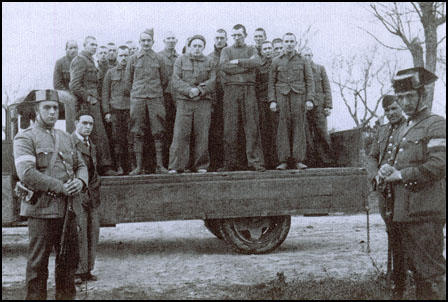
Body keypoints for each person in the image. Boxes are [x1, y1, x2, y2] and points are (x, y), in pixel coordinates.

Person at [13, 89, 88, 300]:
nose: (52, 112)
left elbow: (81, 165)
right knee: (38, 266)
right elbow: (26, 174)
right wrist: (61, 187)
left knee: (68, 264)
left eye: (55, 108)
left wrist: (80, 182)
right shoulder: (25, 137)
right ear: (36, 111)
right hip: (42, 210)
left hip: (68, 210)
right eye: (47, 108)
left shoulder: (66, 137)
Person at [378, 67, 446, 300]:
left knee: (431, 274)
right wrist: (388, 169)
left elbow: (438, 165)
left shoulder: (436, 124)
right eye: (401, 97)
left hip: (425, 214)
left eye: (410, 96)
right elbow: (399, 162)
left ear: (422, 96)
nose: (405, 102)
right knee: (417, 274)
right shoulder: (403, 129)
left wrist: (402, 175)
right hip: (403, 213)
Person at [366, 95, 406, 298]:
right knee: (391, 232)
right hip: (384, 192)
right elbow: (372, 156)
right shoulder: (381, 130)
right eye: (387, 110)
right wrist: (375, 175)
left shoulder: (409, 128)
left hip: (403, 190)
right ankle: (395, 279)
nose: (391, 113)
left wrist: (393, 172)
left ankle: (403, 281)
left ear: (402, 107)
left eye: (394, 108)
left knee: (403, 235)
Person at [219, 23, 265, 172]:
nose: (236, 38)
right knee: (230, 127)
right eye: (234, 35)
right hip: (231, 90)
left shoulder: (252, 49)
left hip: (248, 89)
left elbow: (257, 62)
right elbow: (224, 66)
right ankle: (230, 162)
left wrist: (238, 62)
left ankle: (255, 161)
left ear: (245, 35)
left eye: (239, 35)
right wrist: (247, 66)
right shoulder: (226, 50)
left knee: (251, 126)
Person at [69, 36, 117, 176]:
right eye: (91, 45)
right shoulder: (80, 60)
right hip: (87, 105)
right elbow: (74, 85)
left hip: (95, 101)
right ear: (84, 45)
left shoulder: (91, 61)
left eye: (96, 45)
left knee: (99, 134)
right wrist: (89, 98)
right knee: (97, 134)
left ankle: (102, 166)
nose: (94, 47)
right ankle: (104, 167)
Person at [168, 35, 216, 173]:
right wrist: (189, 90)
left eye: (199, 46)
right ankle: (177, 165)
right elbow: (175, 80)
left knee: (202, 134)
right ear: (189, 46)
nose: (196, 48)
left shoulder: (209, 61)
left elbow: (212, 81)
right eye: (194, 45)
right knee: (180, 134)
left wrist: (200, 90)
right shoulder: (180, 60)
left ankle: (201, 165)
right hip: (184, 101)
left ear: (203, 47)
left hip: (203, 101)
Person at [125, 28, 169, 175]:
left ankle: (160, 165)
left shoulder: (159, 59)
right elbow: (128, 81)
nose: (146, 43)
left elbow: (164, 80)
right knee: (137, 131)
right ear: (139, 42)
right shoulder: (133, 59)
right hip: (138, 99)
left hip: (155, 98)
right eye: (143, 40)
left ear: (153, 42)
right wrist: (138, 94)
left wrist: (154, 91)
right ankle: (138, 167)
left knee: (158, 131)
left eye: (148, 40)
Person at [268, 33, 314, 170]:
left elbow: (310, 81)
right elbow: (271, 82)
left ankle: (298, 160)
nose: (289, 43)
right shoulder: (276, 61)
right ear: (282, 43)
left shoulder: (303, 60)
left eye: (291, 41)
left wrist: (310, 99)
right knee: (282, 128)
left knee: (299, 127)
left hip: (298, 96)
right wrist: (272, 100)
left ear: (295, 43)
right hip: (281, 96)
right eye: (286, 41)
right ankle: (284, 160)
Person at [71, 111, 100, 284]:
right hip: (77, 196)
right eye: (84, 123)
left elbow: (94, 172)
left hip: (91, 196)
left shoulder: (92, 145)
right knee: (79, 233)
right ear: (76, 123)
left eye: (90, 124)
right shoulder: (69, 143)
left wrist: (94, 190)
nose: (87, 127)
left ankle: (88, 269)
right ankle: (77, 271)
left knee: (93, 232)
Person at [302, 47, 334, 167]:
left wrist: (328, 106)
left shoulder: (320, 69)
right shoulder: (300, 70)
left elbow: (327, 88)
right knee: (307, 134)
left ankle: (328, 160)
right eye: (305, 55)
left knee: (322, 132)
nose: (307, 57)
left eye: (309, 55)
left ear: (312, 56)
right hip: (304, 106)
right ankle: (312, 161)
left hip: (319, 106)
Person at [102, 45, 131, 175]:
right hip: (115, 110)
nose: (124, 58)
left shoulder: (133, 72)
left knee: (131, 138)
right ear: (117, 57)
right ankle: (119, 166)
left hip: (130, 109)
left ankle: (132, 166)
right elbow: (105, 93)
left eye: (126, 55)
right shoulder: (110, 72)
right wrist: (107, 112)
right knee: (117, 139)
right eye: (121, 55)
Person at [158, 31, 179, 167]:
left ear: (176, 41)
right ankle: (163, 163)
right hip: (164, 96)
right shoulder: (159, 56)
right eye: (168, 38)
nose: (171, 41)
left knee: (176, 129)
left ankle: (175, 162)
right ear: (164, 40)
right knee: (162, 128)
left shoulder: (180, 57)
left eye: (173, 38)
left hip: (178, 97)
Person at [208, 28, 227, 171]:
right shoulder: (209, 58)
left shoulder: (231, 54)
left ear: (226, 39)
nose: (219, 40)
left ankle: (230, 162)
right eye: (217, 38)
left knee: (230, 130)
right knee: (215, 131)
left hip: (230, 97)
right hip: (214, 99)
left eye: (222, 38)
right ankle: (215, 163)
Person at [256, 40, 277, 169]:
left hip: (277, 101)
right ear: (261, 51)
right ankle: (266, 161)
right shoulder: (258, 66)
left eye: (270, 48)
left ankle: (277, 160)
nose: (268, 50)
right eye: (265, 49)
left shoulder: (278, 63)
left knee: (277, 131)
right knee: (264, 130)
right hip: (262, 101)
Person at [53, 40, 78, 133]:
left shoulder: (81, 62)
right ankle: (71, 134)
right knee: (70, 101)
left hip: (79, 93)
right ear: (66, 49)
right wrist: (70, 93)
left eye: (75, 48)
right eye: (71, 48)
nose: (73, 50)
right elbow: (57, 84)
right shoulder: (60, 62)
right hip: (66, 94)